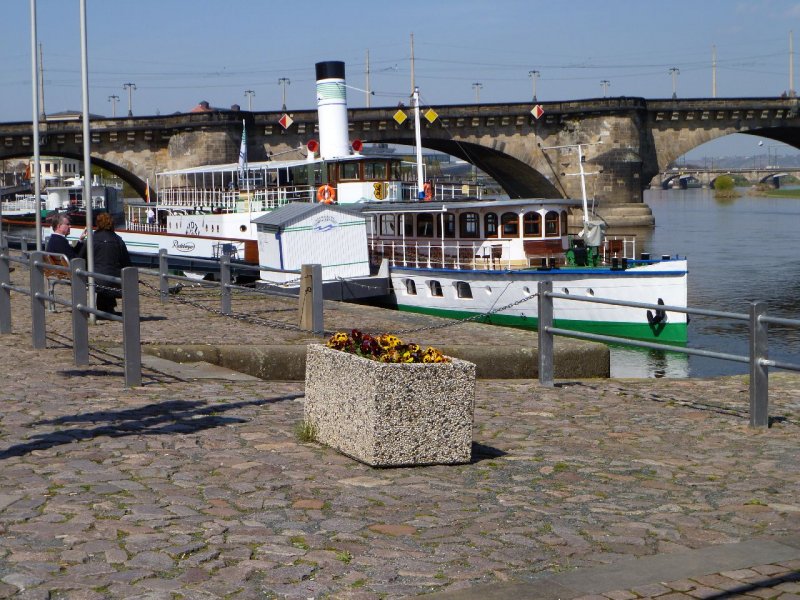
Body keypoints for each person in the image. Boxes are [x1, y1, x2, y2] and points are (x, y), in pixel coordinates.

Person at [79, 212, 131, 315]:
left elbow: (81, 257)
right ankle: (108, 307)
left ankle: (104, 308)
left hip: (95, 278)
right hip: (114, 279)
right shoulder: (118, 240)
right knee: (108, 277)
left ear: (97, 223)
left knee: (101, 277)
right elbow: (126, 262)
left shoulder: (92, 239)